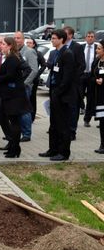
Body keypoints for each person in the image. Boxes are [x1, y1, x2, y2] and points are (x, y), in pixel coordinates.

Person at [39, 29, 78, 161]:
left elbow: (67, 77)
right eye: (52, 38)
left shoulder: (67, 53)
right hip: (54, 91)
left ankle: (63, 152)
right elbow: (55, 69)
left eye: (54, 38)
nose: (52, 40)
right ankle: (53, 149)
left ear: (62, 39)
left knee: (63, 124)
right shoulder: (55, 52)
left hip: (63, 94)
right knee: (53, 123)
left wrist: (58, 91)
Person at [0, 37, 31, 158]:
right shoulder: (9, 58)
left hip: (14, 96)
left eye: (3, 44)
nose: (1, 46)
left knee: (15, 123)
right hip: (9, 95)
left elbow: (10, 76)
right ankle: (13, 147)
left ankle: (15, 149)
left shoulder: (13, 59)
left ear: (10, 46)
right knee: (12, 122)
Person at [15, 31, 38, 142]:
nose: (16, 40)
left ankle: (26, 134)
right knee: (16, 111)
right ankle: (16, 132)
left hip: (25, 87)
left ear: (23, 39)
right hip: (14, 87)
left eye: (18, 38)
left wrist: (25, 83)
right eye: (15, 38)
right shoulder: (13, 52)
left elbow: (34, 70)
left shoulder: (29, 52)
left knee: (24, 111)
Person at [64, 26, 85, 140]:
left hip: (73, 85)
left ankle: (72, 131)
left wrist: (73, 78)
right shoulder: (61, 47)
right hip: (63, 84)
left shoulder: (77, 47)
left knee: (73, 109)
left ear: (71, 35)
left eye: (65, 33)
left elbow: (82, 65)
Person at [26, 37, 47, 121]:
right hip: (25, 78)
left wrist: (37, 73)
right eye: (27, 43)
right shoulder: (24, 52)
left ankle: (32, 115)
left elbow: (44, 65)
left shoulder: (37, 53)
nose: (28, 44)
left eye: (30, 43)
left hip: (34, 79)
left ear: (34, 44)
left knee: (32, 97)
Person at [90, 39, 104, 153]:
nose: (96, 50)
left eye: (99, 48)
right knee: (102, 122)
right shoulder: (96, 61)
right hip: (99, 97)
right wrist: (96, 80)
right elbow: (91, 76)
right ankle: (102, 145)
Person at [82, 31, 97, 127]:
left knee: (90, 98)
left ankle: (87, 119)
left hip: (92, 76)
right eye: (88, 36)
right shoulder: (81, 47)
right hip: (82, 75)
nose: (90, 38)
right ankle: (81, 108)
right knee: (79, 95)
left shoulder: (97, 48)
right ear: (85, 38)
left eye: (92, 37)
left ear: (94, 38)